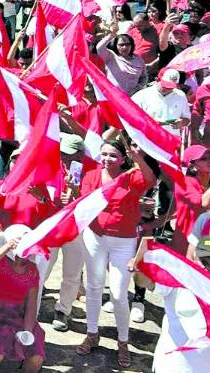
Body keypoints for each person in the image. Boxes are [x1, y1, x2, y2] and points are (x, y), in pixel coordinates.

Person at [75, 138, 155, 367]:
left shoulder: (132, 176)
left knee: (119, 295)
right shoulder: (91, 176)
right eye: (104, 154)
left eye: (113, 155)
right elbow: (85, 203)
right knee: (94, 287)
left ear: (122, 159)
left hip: (123, 242)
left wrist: (138, 158)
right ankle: (92, 334)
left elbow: (150, 179)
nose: (107, 159)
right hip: (94, 238)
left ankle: (123, 341)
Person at [133, 235, 210, 372]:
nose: (208, 269)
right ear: (194, 258)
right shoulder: (179, 276)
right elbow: (145, 281)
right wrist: (139, 268)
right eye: (203, 262)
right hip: (174, 365)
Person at [0, 225, 45, 373]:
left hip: (18, 316)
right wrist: (7, 246)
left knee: (36, 358)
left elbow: (31, 306)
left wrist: (27, 332)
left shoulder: (32, 270)